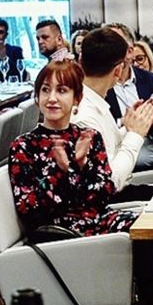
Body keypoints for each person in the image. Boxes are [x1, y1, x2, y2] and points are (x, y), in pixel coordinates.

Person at [8, 60, 136, 237]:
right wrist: (63, 173)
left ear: (77, 98)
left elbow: (106, 192)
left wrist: (81, 166)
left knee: (149, 231)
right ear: (37, 97)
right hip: (61, 234)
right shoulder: (24, 146)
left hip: (99, 221)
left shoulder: (89, 137)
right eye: (45, 90)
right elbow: (28, 208)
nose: (52, 98)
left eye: (61, 90)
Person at [77, 29, 153, 192]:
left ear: (80, 61)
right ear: (118, 70)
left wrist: (128, 128)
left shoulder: (94, 102)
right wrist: (135, 135)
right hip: (111, 202)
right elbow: (111, 183)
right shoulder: (84, 114)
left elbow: (108, 146)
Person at [108, 39, 153, 169]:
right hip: (121, 156)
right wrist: (124, 123)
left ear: (129, 51)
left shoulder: (149, 79)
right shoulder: (100, 83)